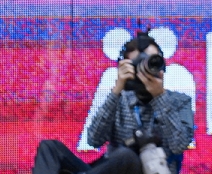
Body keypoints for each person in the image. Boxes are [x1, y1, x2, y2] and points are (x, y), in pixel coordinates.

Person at [33, 30, 194, 174]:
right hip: (111, 169)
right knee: (50, 148)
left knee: (126, 156)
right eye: (138, 64)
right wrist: (117, 89)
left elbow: (178, 145)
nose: (145, 70)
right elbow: (93, 139)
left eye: (151, 62)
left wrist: (160, 98)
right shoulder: (119, 100)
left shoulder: (179, 102)